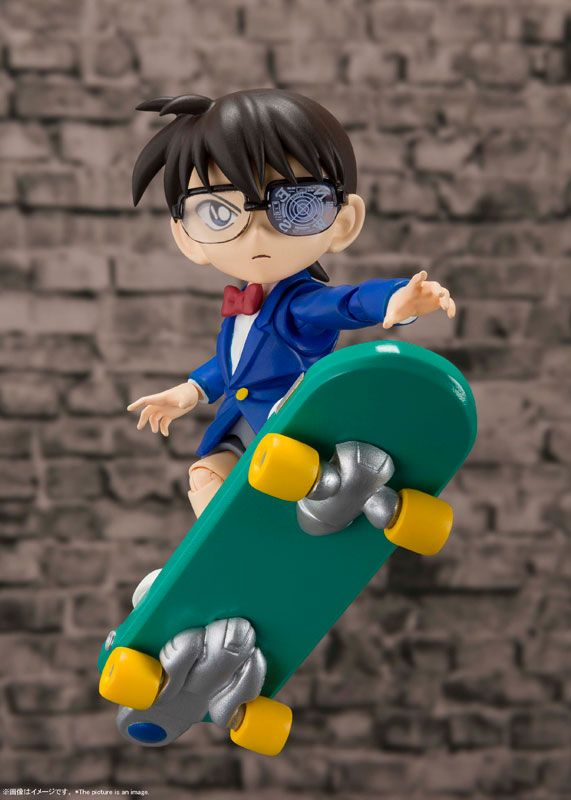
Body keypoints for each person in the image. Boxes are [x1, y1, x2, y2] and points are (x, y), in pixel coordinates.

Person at [127, 89, 456, 520]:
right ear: (187, 236)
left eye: (293, 206)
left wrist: (396, 299)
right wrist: (189, 392)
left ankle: (363, 503)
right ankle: (232, 547)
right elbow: (233, 365)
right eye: (219, 212)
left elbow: (348, 303)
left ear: (343, 222)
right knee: (205, 477)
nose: (257, 233)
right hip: (244, 424)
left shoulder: (300, 304)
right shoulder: (244, 308)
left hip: (293, 428)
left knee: (268, 478)